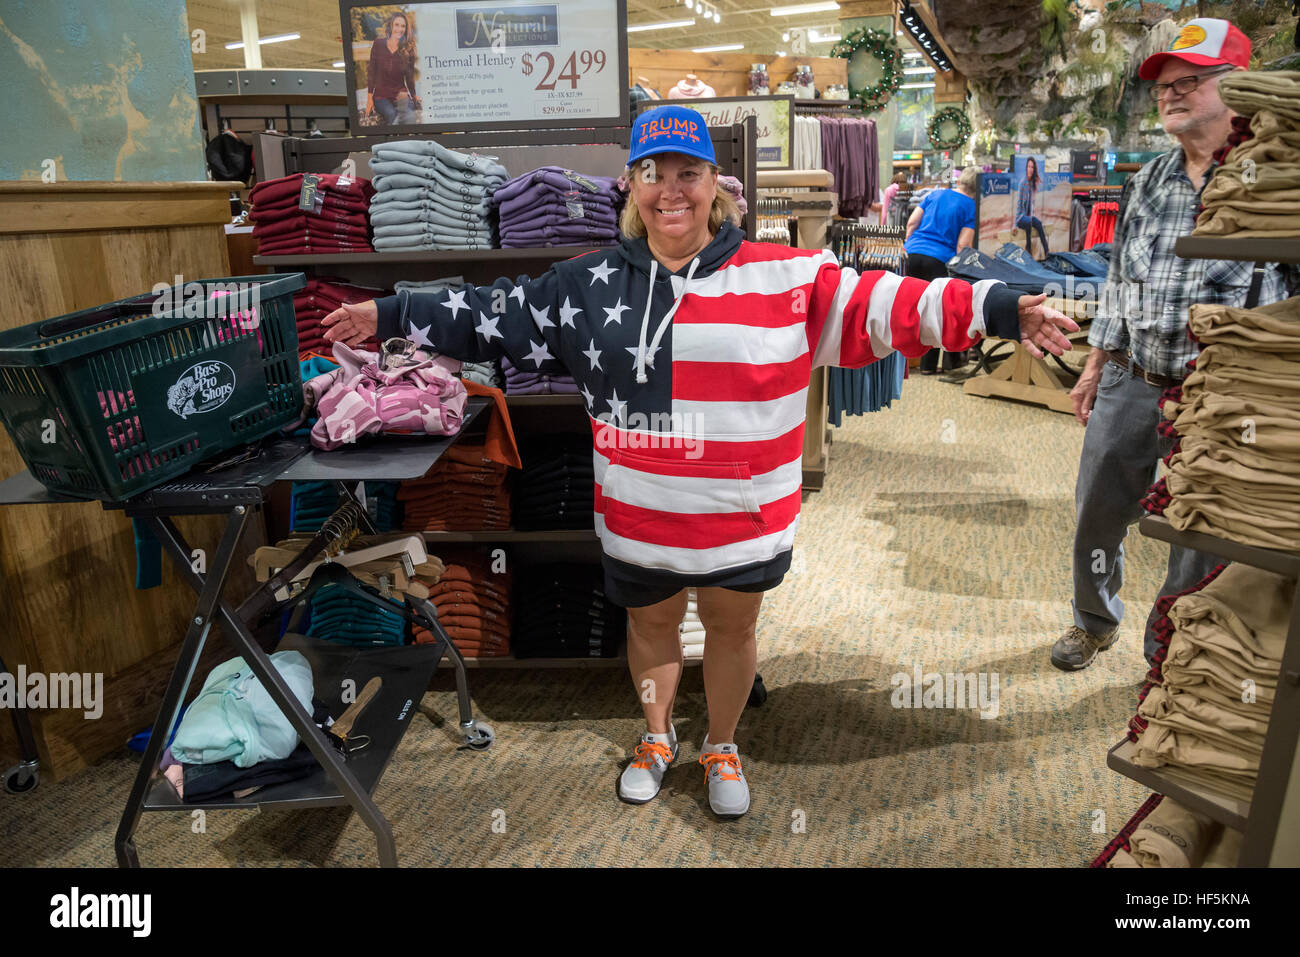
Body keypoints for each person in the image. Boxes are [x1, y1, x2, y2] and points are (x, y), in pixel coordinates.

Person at [322, 105, 1076, 817]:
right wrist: (390, 313)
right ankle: (656, 734)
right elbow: (493, 312)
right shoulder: (584, 285)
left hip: (740, 524)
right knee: (649, 629)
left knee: (731, 630)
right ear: (632, 185)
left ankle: (721, 745)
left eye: (688, 171)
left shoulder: (787, 276)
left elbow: (891, 303)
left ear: (716, 184)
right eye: (654, 172)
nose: (670, 190)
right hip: (639, 515)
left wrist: (999, 308)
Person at [1053, 18, 1300, 671]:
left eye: (1189, 81)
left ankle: (1171, 652)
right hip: (1132, 376)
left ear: (1238, 87)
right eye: (1164, 85)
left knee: (1199, 531)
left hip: (1223, 396)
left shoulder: (1276, 185)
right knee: (1097, 512)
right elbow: (1118, 277)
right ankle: (1093, 619)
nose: (1171, 95)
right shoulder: (1149, 180)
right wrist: (1095, 361)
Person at [903, 166, 978, 374]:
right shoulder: (970, 206)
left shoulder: (933, 194)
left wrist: (910, 245)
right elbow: (963, 245)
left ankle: (903, 363)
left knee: (907, 308)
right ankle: (928, 365)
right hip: (939, 261)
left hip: (911, 254)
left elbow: (911, 223)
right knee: (935, 311)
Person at [365, 12, 420, 126]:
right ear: (391, 26)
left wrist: (414, 96)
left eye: (403, 26)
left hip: (401, 94)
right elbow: (372, 72)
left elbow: (409, 77)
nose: (399, 29)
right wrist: (369, 98)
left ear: (406, 29)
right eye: (397, 25)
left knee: (410, 116)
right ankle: (395, 143)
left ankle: (407, 142)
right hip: (381, 97)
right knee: (391, 114)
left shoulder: (408, 49)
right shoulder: (378, 44)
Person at [1016, 157, 1049, 257]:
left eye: (1032, 167)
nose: (1030, 169)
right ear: (1026, 168)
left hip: (1028, 217)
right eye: (1029, 167)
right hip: (1021, 218)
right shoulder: (1022, 183)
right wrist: (1014, 224)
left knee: (1038, 223)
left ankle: (1047, 252)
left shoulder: (1032, 184)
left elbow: (1031, 205)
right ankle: (1029, 247)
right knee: (1029, 221)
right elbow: (1019, 205)